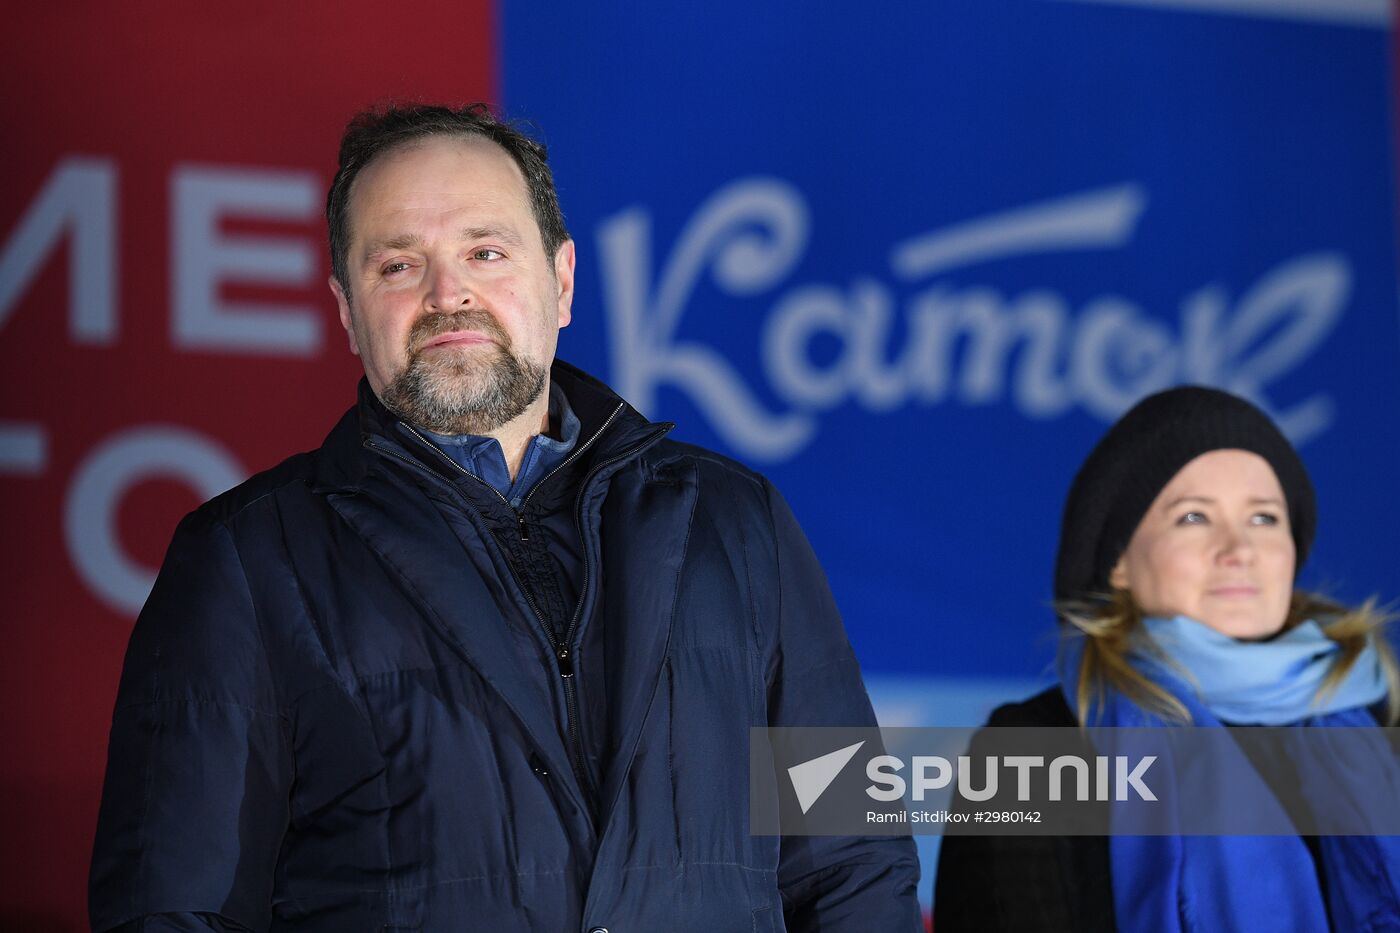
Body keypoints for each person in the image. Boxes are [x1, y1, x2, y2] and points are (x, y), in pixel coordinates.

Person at [89, 104, 920, 932]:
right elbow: (170, 907)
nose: (448, 294)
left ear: (562, 282)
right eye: (398, 265)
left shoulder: (739, 523)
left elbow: (855, 861)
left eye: (485, 252)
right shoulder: (244, 560)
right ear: (346, 310)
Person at [933, 385, 1400, 932]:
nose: (1239, 550)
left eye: (1264, 518)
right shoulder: (1030, 749)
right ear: (1118, 562)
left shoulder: (1383, 726)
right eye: (1194, 517)